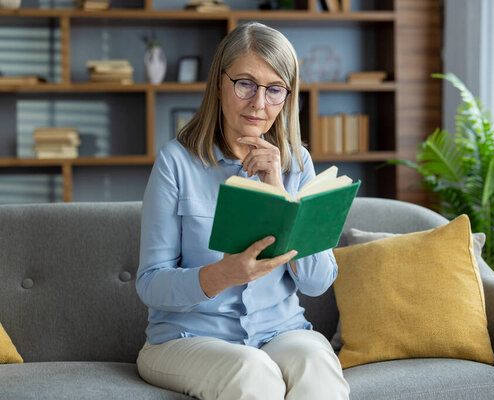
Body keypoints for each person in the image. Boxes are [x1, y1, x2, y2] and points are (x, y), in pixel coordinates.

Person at [135, 22, 350, 400]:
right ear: (220, 83)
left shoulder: (297, 163)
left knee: (317, 361)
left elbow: (317, 283)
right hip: (185, 340)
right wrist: (221, 275)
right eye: (246, 84)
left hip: (279, 332)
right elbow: (150, 284)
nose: (259, 103)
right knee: (253, 371)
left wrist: (279, 191)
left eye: (275, 90)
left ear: (288, 96)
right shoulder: (176, 162)